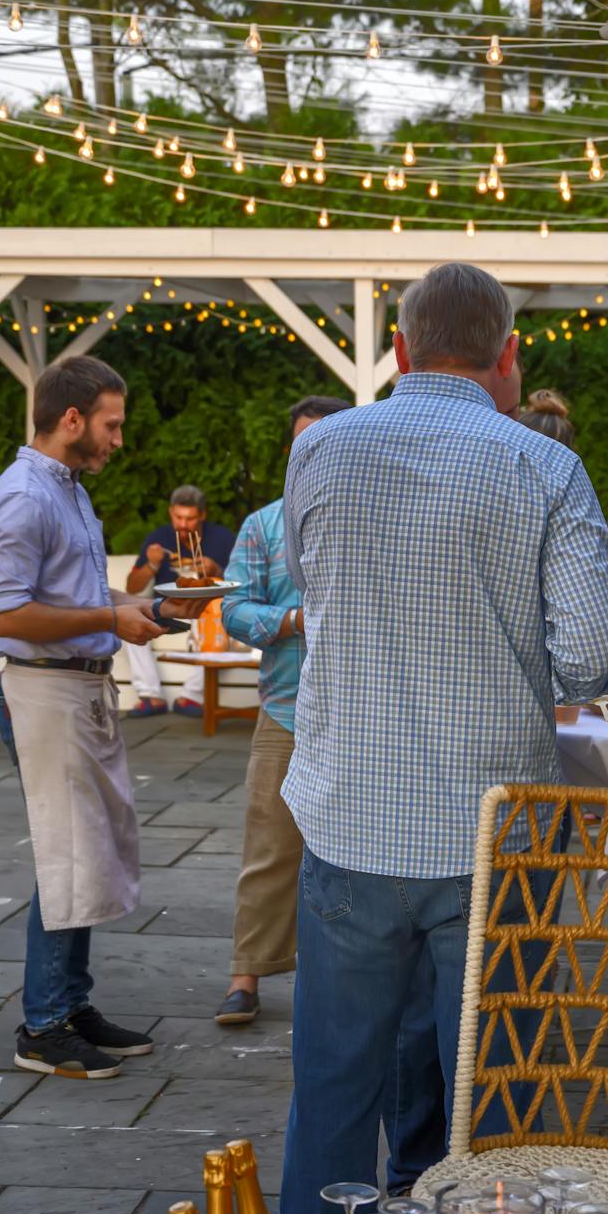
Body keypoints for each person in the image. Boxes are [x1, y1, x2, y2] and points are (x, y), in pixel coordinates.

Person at [278, 261, 608, 1214]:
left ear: (399, 349)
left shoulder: (324, 451)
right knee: (495, 1114)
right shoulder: (544, 465)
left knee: (334, 1101)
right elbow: (596, 658)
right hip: (497, 831)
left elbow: (315, 589)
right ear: (507, 356)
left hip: (351, 814)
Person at [0, 356, 207, 1079]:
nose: (117, 440)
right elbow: (9, 613)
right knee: (67, 853)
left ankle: (69, 1006)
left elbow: (76, 593)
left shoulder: (64, 487)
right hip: (43, 691)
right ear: (71, 419)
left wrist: (154, 610)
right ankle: (43, 1025)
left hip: (75, 688)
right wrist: (113, 613)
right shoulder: (22, 496)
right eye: (111, 425)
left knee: (86, 849)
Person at [213, 396, 349, 1027]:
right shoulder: (264, 525)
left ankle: (344, 982)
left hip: (360, 716)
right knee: (270, 845)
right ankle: (247, 974)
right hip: (286, 711)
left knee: (354, 853)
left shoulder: (370, 520)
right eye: (304, 444)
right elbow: (233, 609)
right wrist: (292, 619)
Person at [123, 486, 237, 718]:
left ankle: (191, 696)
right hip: (167, 609)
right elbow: (131, 587)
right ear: (170, 513)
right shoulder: (158, 539)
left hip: (207, 611)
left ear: (202, 515)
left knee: (226, 617)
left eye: (190, 518)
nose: (183, 524)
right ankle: (151, 696)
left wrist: (217, 570)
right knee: (126, 617)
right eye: (178, 517)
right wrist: (151, 565)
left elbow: (242, 582)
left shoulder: (223, 539)